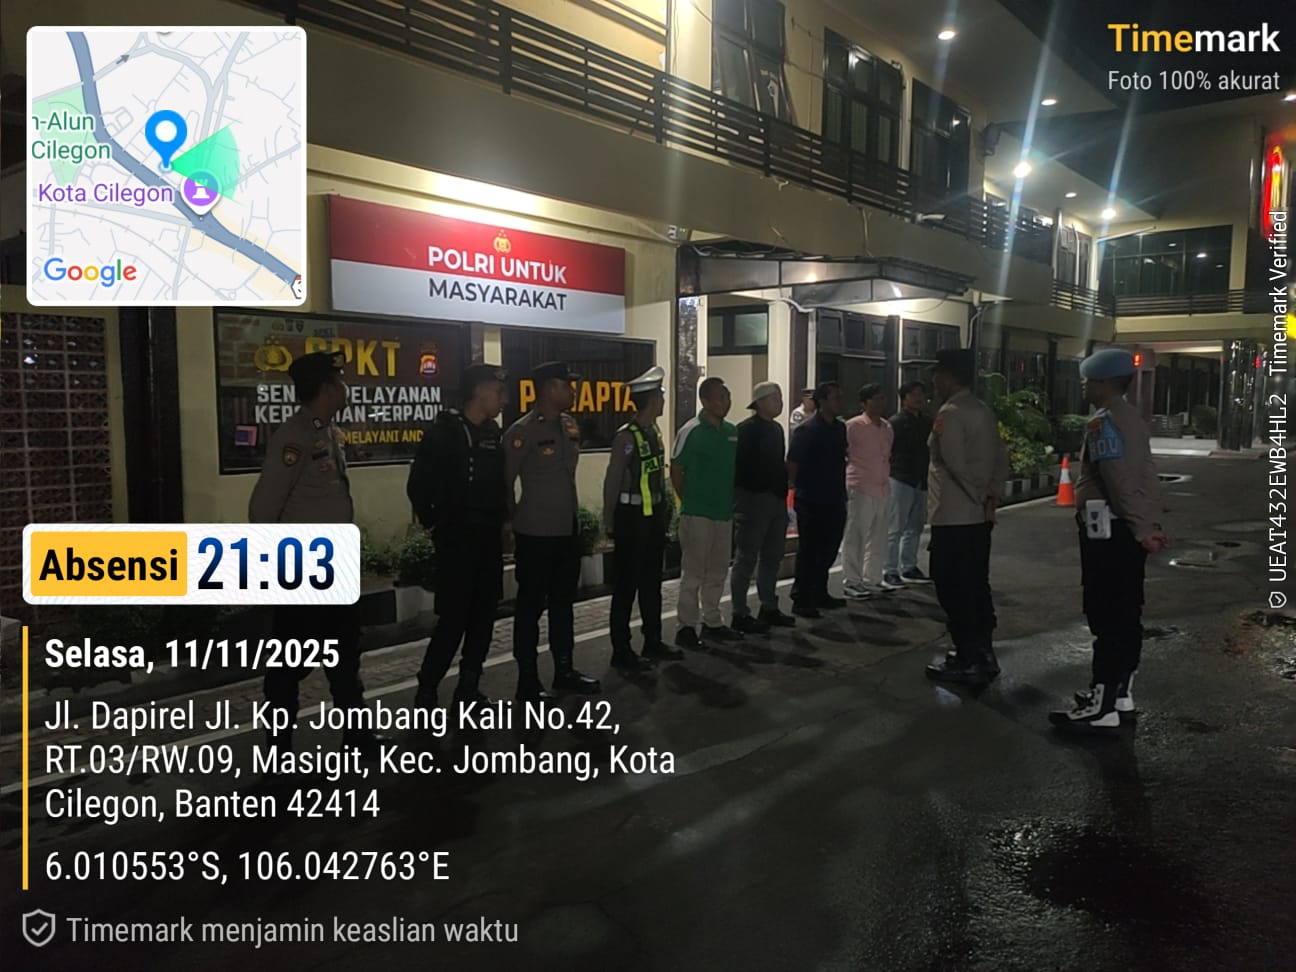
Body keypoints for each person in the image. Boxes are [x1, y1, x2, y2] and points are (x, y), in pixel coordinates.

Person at [248, 351, 381, 755]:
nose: (346, 388)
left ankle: (357, 737)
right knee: (290, 663)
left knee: (345, 655)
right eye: (340, 381)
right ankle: (278, 751)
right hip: (304, 569)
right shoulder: (295, 437)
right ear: (326, 388)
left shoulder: (326, 432)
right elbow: (262, 509)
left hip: (333, 566)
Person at [1050, 348, 1169, 734]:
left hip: (1109, 532)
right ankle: (1119, 694)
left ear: (1104, 384)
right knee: (1128, 611)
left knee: (1107, 614)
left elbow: (1117, 481)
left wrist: (1141, 528)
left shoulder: (1103, 422)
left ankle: (1101, 707)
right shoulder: (1133, 418)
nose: (1084, 387)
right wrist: (1149, 522)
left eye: (1088, 381)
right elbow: (1147, 475)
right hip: (1128, 529)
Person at [406, 364, 509, 710]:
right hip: (457, 541)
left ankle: (469, 689)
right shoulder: (444, 433)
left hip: (487, 539)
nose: (503, 399)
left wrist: (504, 522)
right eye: (498, 392)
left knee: (483, 618)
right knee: (453, 620)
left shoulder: (493, 434)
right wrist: (436, 524)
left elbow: (498, 485)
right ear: (479, 391)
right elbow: (418, 485)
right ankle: (427, 689)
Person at [505, 361, 601, 700]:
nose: (573, 391)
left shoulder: (569, 425)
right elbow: (505, 482)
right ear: (548, 388)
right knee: (530, 607)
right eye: (566, 385)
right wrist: (509, 523)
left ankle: (564, 669)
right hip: (535, 532)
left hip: (565, 529)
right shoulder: (522, 431)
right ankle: (527, 679)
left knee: (563, 603)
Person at [923, 350, 1010, 684]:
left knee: (952, 586)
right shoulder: (982, 410)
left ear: (947, 377)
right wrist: (991, 495)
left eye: (937, 374)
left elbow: (954, 463)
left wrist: (977, 497)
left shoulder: (951, 413)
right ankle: (984, 653)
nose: (934, 381)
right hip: (978, 518)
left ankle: (968, 657)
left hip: (954, 516)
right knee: (976, 584)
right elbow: (1001, 457)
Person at [602, 365, 684, 671]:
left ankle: (653, 641)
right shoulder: (627, 437)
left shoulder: (654, 432)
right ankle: (621, 649)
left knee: (652, 584)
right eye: (660, 396)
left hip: (652, 520)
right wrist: (608, 519)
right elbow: (613, 480)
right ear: (651, 400)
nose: (663, 401)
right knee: (626, 587)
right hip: (631, 520)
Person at [671, 376, 740, 648]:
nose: (726, 402)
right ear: (705, 400)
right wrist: (689, 501)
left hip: (724, 512)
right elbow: (676, 470)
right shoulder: (691, 431)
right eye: (721, 397)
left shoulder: (732, 431)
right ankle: (686, 626)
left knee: (718, 571)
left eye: (727, 396)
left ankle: (712, 621)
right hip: (698, 513)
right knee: (693, 573)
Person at [731, 381, 796, 633]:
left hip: (776, 499)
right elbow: (739, 468)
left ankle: (769, 606)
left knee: (772, 556)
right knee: (746, 558)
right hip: (753, 500)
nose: (780, 402)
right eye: (774, 398)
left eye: (780, 398)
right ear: (759, 402)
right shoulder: (746, 430)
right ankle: (739, 612)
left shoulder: (777, 429)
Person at [787, 381, 848, 618]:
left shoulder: (839, 428)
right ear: (822, 401)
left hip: (835, 495)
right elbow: (793, 461)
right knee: (809, 550)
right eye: (835, 397)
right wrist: (793, 486)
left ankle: (820, 592)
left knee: (829, 547)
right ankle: (801, 597)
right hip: (811, 497)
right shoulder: (807, 430)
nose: (840, 402)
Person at [842, 383, 895, 599]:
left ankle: (872, 578)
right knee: (856, 535)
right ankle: (852, 581)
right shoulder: (853, 426)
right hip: (860, 485)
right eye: (875, 399)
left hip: (882, 486)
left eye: (882, 398)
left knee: (879, 535)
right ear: (864, 403)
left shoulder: (887, 427)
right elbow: (843, 452)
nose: (880, 403)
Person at [885, 381, 933, 587]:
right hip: (900, 477)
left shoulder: (927, 421)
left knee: (915, 526)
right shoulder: (895, 422)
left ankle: (909, 566)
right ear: (904, 398)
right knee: (895, 527)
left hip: (921, 479)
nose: (918, 398)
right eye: (914, 394)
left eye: (921, 393)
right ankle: (889, 570)